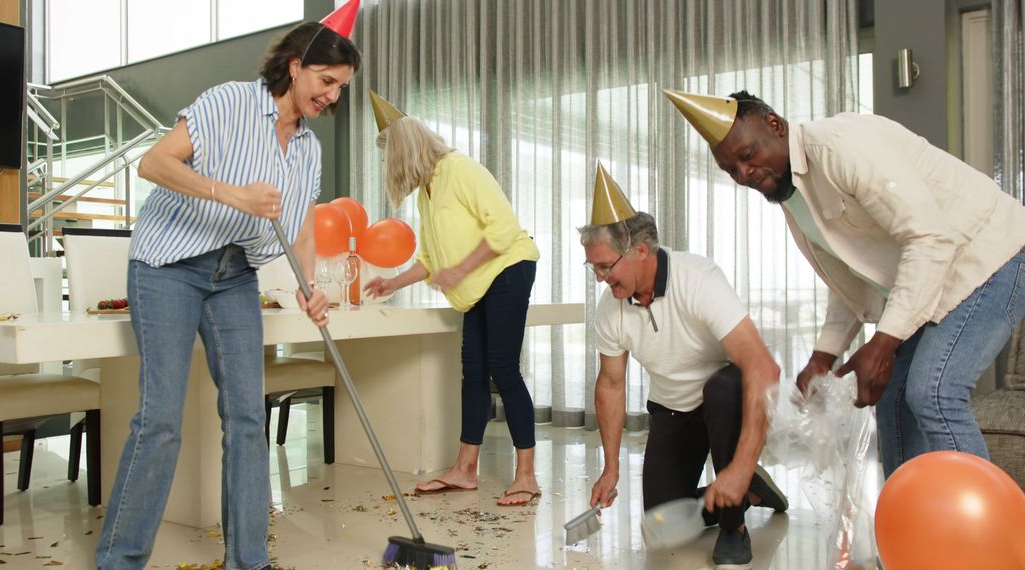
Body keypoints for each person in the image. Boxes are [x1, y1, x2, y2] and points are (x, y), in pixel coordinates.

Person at [94, 5, 361, 568]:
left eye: (342, 88)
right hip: (167, 265)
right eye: (327, 81)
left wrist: (308, 287)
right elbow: (153, 163)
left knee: (246, 416)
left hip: (233, 276)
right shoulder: (228, 102)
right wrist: (232, 193)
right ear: (296, 66)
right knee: (161, 418)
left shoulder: (308, 149)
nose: (333, 96)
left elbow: (303, 230)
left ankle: (249, 561)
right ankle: (119, 560)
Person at [665, 89, 1025, 478]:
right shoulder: (792, 192)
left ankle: (989, 535)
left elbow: (929, 238)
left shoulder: (841, 148)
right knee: (893, 401)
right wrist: (823, 356)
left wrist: (883, 344)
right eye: (731, 169)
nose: (744, 174)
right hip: (937, 277)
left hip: (990, 254)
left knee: (933, 393)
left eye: (747, 156)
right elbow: (852, 278)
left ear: (775, 125)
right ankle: (909, 525)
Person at [582, 163, 788, 570]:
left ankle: (734, 526)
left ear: (640, 252)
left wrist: (740, 463)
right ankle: (749, 491)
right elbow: (610, 384)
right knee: (659, 525)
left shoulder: (698, 278)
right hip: (673, 409)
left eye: (606, 266)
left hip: (725, 400)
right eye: (594, 268)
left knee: (722, 387)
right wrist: (610, 469)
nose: (601, 278)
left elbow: (763, 367)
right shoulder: (611, 308)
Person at [362, 91, 541, 506]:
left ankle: (527, 476)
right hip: (477, 284)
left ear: (404, 151)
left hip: (508, 269)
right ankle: (465, 469)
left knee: (502, 369)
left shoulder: (460, 170)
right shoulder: (428, 191)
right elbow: (429, 258)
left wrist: (460, 269)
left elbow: (503, 228)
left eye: (389, 156)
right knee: (472, 373)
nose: (388, 165)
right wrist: (392, 283)